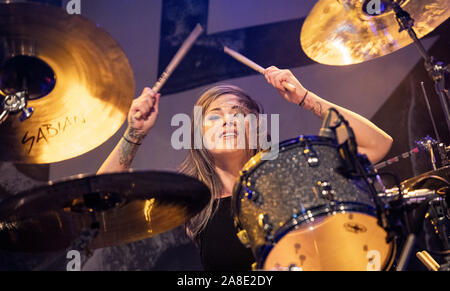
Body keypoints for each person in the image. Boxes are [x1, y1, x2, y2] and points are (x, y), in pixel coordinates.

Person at [98, 66, 393, 271]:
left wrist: (305, 98)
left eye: (239, 113)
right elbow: (99, 200)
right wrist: (134, 133)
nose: (228, 121)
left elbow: (377, 145)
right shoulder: (190, 200)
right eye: (214, 116)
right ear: (198, 134)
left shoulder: (290, 177)